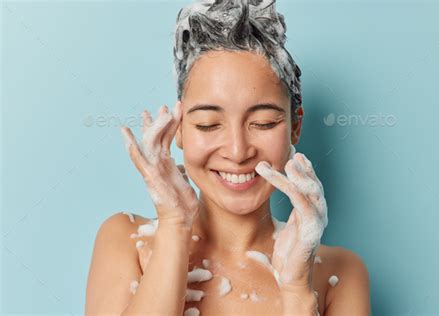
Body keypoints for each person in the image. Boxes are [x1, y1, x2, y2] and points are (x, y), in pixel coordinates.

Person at [85, 0, 370, 315]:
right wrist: (174, 226)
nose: (237, 152)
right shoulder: (127, 241)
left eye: (263, 123)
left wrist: (295, 290)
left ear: (295, 126)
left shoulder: (339, 273)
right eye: (208, 124)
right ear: (178, 128)